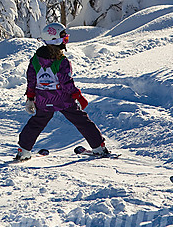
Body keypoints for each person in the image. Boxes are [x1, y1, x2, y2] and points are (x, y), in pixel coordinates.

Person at [15, 22, 108, 161]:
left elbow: (31, 80)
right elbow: (66, 82)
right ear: (56, 40)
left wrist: (30, 98)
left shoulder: (35, 60)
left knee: (37, 122)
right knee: (81, 121)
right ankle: (98, 147)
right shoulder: (62, 61)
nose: (66, 40)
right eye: (64, 37)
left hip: (43, 99)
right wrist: (78, 96)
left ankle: (24, 150)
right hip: (63, 99)